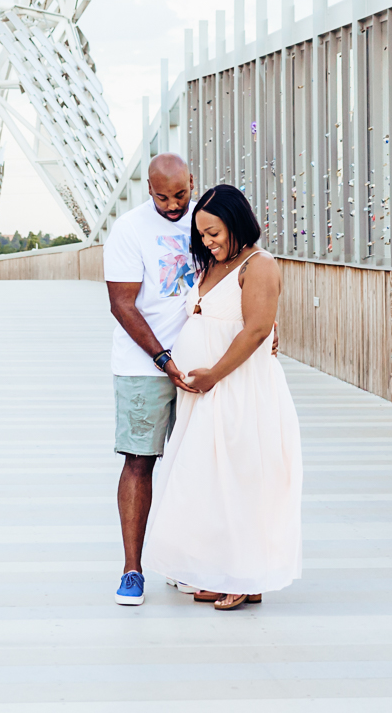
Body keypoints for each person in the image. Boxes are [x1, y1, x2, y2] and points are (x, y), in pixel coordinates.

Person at [142, 183, 303, 610]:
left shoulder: (259, 264)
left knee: (244, 478)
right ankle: (219, 568)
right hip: (206, 394)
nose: (208, 242)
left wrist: (212, 373)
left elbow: (255, 330)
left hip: (240, 390)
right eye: (202, 235)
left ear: (237, 223)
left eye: (214, 233)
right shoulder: (212, 265)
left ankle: (247, 576)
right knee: (209, 482)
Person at [103, 153, 199, 607]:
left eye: (180, 194)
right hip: (145, 367)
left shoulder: (207, 219)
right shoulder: (129, 230)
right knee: (140, 463)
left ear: (192, 183)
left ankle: (186, 563)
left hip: (202, 364)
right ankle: (132, 570)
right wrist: (163, 359)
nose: (173, 205)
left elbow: (244, 274)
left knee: (197, 464)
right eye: (163, 197)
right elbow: (123, 304)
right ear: (149, 190)